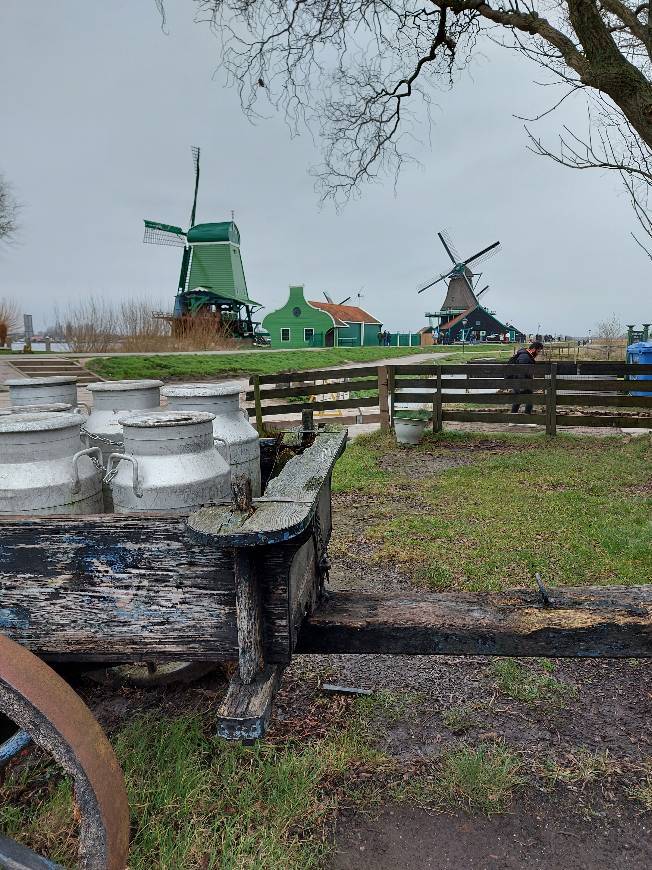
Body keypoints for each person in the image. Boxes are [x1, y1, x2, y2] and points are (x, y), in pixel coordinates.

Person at [510, 341, 544, 414]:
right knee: (529, 399)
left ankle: (513, 418)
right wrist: (523, 385)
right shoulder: (525, 357)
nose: (538, 353)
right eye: (538, 351)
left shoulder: (525, 355)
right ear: (534, 349)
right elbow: (521, 371)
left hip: (518, 382)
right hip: (522, 382)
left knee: (518, 400)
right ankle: (526, 418)